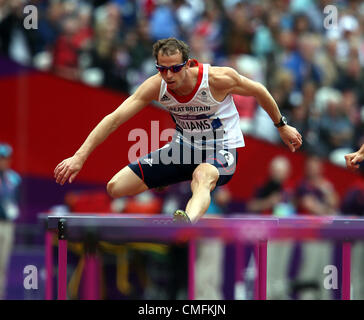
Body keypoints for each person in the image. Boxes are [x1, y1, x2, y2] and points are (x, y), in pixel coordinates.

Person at [54, 37, 302, 224]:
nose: (168, 75)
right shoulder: (156, 86)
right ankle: (167, 178)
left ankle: (186, 223)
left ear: (188, 64)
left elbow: (259, 90)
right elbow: (114, 119)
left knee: (202, 177)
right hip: (183, 149)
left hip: (221, 149)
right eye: (162, 69)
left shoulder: (216, 79)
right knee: (115, 188)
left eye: (174, 68)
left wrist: (281, 125)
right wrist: (79, 156)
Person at [0, 143, 21, 300]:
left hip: (7, 225)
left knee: (3, 263)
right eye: (1, 158)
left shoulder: (14, 178)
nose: (3, 161)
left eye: (6, 158)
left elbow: (15, 200)